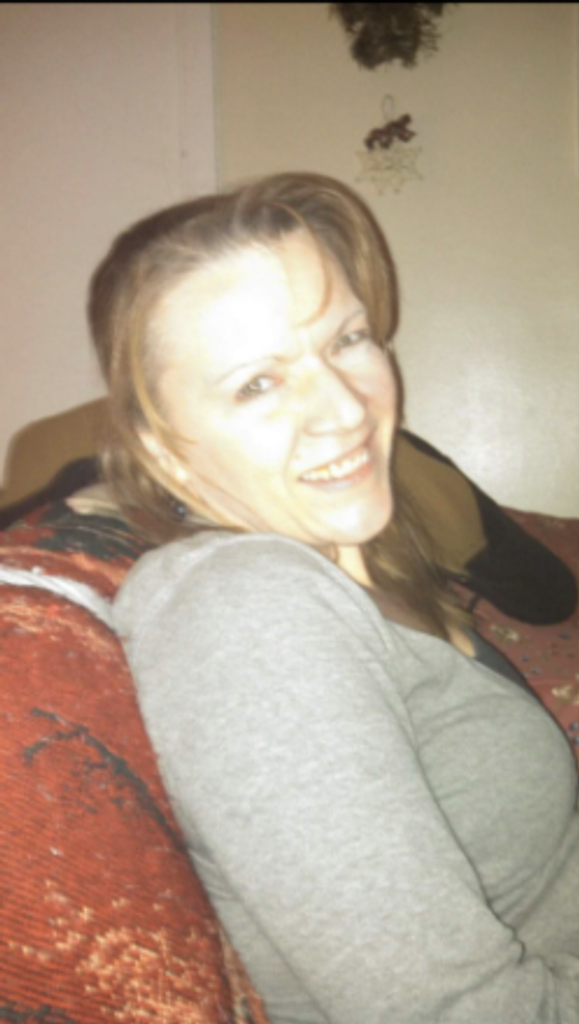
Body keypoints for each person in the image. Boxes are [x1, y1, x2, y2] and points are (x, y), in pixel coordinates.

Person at [89, 172, 579, 1024]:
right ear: (163, 449)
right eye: (256, 383)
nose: (344, 408)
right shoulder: (243, 609)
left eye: (346, 339)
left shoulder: (361, 556)